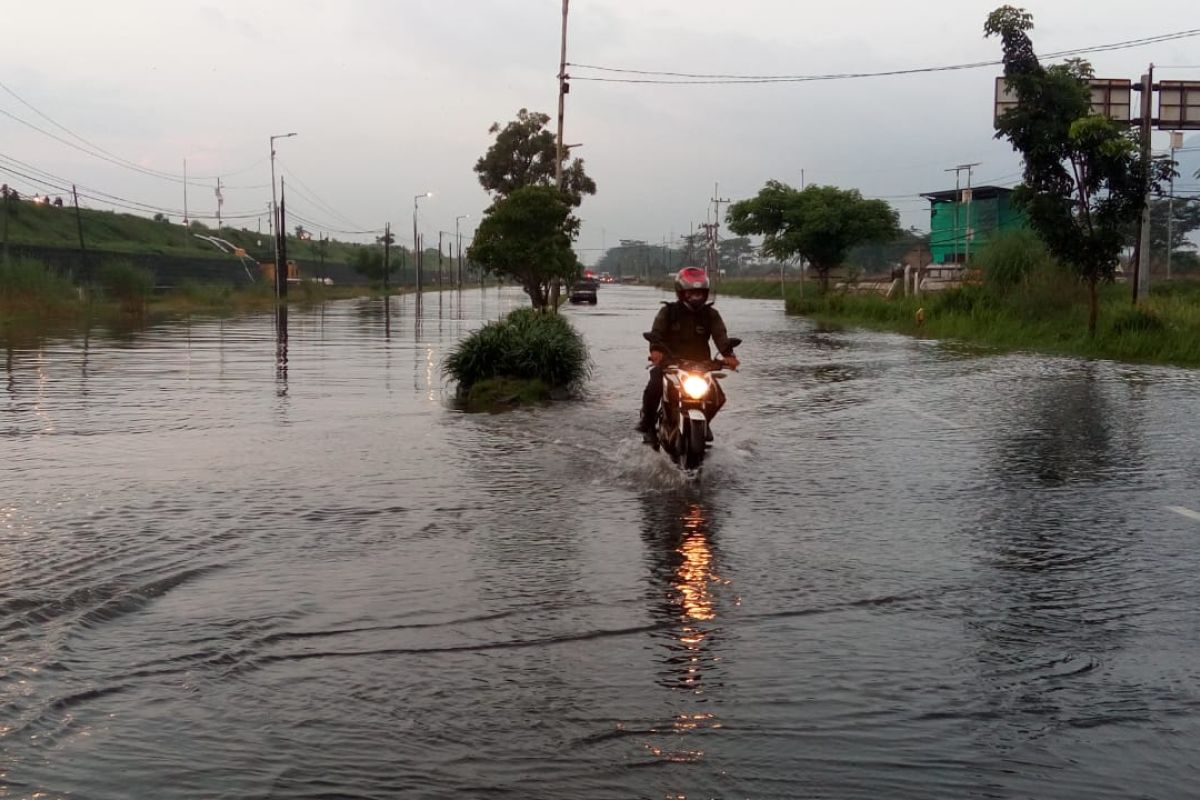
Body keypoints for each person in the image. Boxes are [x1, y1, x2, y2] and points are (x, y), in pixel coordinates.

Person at [637, 267, 740, 443]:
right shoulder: (668, 312)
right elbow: (657, 334)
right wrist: (656, 351)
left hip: (702, 366)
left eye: (700, 294)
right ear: (681, 293)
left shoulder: (711, 315)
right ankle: (647, 425)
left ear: (706, 294)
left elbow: (721, 337)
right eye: (692, 294)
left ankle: (703, 422)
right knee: (654, 384)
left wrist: (728, 355)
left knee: (718, 397)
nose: (696, 297)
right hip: (671, 364)